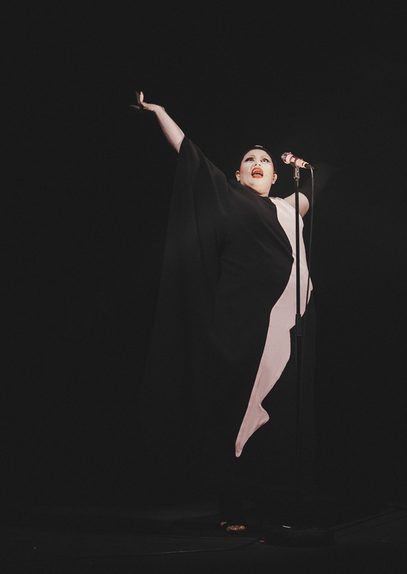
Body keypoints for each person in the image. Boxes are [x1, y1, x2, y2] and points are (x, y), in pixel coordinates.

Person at [134, 92, 323, 532]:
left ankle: (273, 498)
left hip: (284, 323)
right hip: (240, 322)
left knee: (276, 408)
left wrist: (310, 165)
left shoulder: (288, 208)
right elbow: (188, 153)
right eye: (249, 160)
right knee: (232, 408)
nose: (257, 163)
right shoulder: (230, 195)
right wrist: (161, 113)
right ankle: (231, 503)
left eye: (265, 161)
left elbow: (317, 185)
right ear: (238, 174)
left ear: (274, 176)